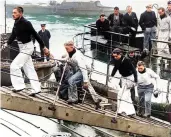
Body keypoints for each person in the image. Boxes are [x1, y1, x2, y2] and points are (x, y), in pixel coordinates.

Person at [7, 7, 49, 96]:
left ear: (20, 13)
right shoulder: (16, 22)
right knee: (29, 69)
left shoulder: (26, 23)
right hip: (21, 47)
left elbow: (35, 35)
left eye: (15, 13)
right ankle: (37, 89)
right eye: (12, 12)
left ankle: (19, 86)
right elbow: (13, 34)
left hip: (28, 47)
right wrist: (7, 43)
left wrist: (43, 47)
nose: (13, 14)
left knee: (14, 66)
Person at [63, 41, 102, 109]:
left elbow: (83, 69)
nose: (66, 50)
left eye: (67, 49)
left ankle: (73, 98)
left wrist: (85, 81)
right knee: (87, 85)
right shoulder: (71, 52)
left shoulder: (78, 56)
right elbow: (66, 58)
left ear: (72, 47)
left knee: (71, 80)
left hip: (83, 69)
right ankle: (97, 98)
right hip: (79, 69)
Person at [111, 48, 137, 116]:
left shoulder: (127, 60)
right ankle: (131, 112)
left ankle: (122, 111)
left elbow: (134, 70)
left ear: (120, 54)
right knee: (126, 95)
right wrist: (111, 76)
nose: (115, 58)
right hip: (123, 78)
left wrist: (135, 81)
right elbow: (116, 68)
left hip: (129, 78)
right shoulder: (117, 60)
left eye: (116, 56)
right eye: (114, 56)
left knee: (122, 94)